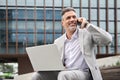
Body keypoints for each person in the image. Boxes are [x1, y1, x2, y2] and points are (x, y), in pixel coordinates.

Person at [32, 7, 112, 80]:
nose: (72, 19)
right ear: (62, 23)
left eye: (74, 17)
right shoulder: (58, 42)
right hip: (64, 71)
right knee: (36, 76)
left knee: (64, 75)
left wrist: (87, 25)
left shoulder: (87, 33)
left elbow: (108, 40)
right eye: (68, 18)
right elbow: (56, 63)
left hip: (84, 73)